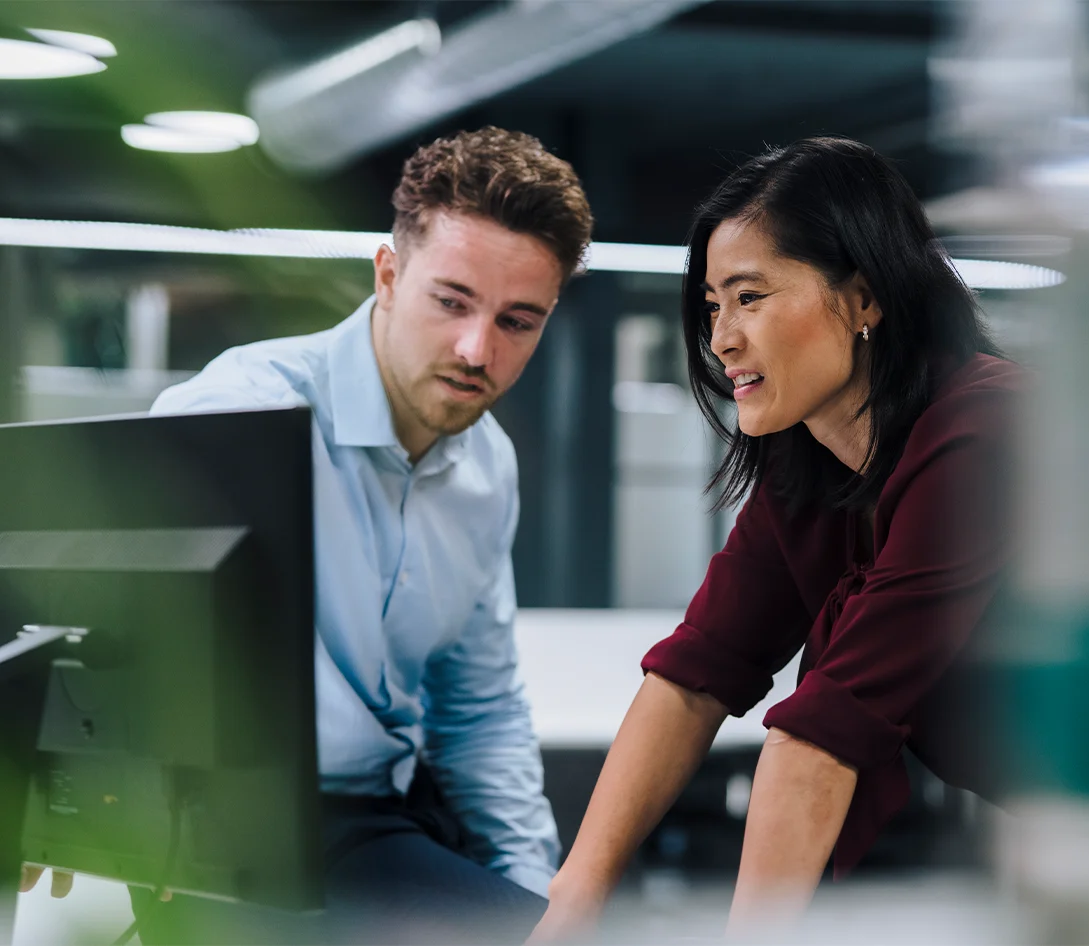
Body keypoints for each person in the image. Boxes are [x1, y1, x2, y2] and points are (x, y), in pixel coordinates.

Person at [22, 126, 593, 945]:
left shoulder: (487, 466)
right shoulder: (242, 413)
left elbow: (480, 710)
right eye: (452, 301)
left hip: (377, 816)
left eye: (518, 321)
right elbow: (101, 624)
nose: (478, 350)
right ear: (389, 275)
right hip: (228, 829)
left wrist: (540, 901)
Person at [531, 137, 1022, 941]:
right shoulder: (814, 468)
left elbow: (820, 737)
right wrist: (570, 903)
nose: (720, 338)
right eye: (713, 305)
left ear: (863, 298)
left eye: (750, 296)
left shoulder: (982, 439)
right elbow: (693, 678)